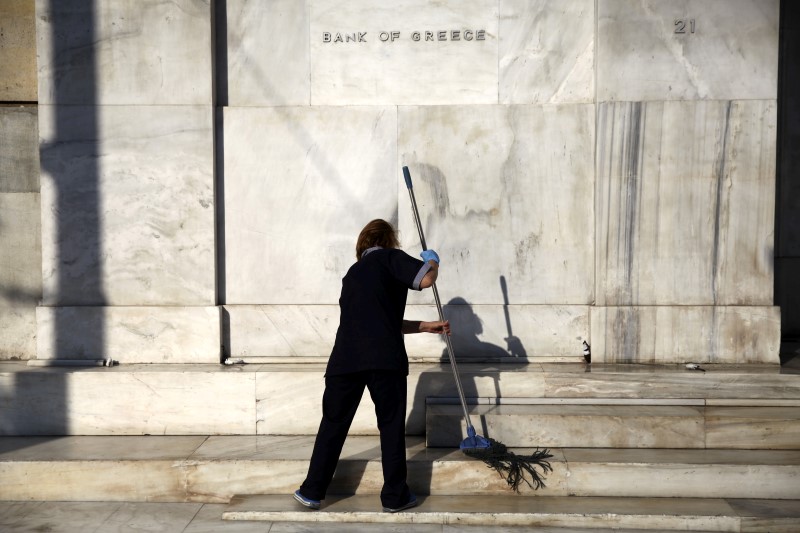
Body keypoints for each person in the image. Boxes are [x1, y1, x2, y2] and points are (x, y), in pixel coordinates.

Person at [293, 218, 450, 512]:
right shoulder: (390, 257)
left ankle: (312, 490)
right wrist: (433, 262)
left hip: (345, 360)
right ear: (388, 240)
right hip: (384, 360)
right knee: (390, 427)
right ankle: (395, 496)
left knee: (333, 425)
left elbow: (378, 320)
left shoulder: (351, 275)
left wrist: (425, 326)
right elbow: (426, 279)